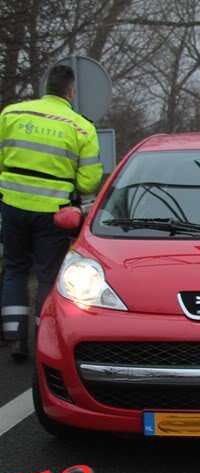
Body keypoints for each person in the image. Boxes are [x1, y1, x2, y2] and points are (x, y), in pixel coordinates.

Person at [0, 64, 102, 360]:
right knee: (47, 274)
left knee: (15, 270)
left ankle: (15, 338)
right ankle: (41, 335)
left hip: (13, 206)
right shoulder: (82, 127)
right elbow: (88, 181)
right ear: (72, 92)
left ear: (46, 88)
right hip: (54, 213)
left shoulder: (12, 115)